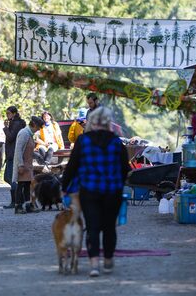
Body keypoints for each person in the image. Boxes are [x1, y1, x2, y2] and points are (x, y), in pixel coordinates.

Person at [61, 107, 131, 277]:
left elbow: (72, 166)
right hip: (112, 191)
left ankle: (94, 265)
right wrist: (119, 183)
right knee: (109, 227)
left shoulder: (83, 141)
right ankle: (107, 261)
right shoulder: (116, 142)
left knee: (92, 226)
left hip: (89, 190)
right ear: (108, 122)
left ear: (91, 122)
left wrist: (64, 187)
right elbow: (125, 168)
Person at [13, 116, 45, 214]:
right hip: (23, 164)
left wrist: (37, 156)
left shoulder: (30, 134)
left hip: (28, 164)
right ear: (34, 125)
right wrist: (20, 165)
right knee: (21, 185)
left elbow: (29, 149)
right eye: (38, 127)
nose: (38, 130)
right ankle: (18, 206)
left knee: (27, 185)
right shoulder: (24, 133)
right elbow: (18, 150)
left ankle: (28, 205)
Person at [2, 106, 26, 209]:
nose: (7, 115)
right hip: (11, 154)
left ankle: (16, 201)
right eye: (6, 113)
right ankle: (19, 198)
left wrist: (5, 128)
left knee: (11, 178)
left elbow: (11, 137)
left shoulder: (17, 123)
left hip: (13, 154)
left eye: (9, 113)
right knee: (8, 177)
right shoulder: (14, 123)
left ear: (14, 113)